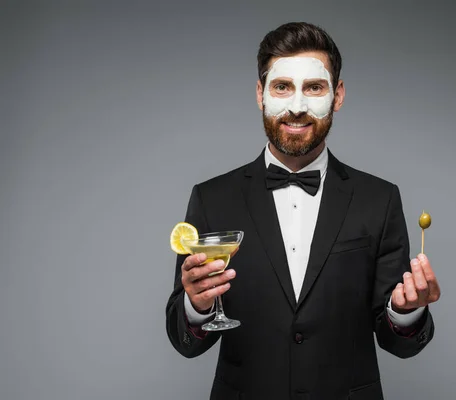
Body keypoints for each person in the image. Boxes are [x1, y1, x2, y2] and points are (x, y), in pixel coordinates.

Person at [166, 21, 441, 400]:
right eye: (282, 87)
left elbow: (399, 342)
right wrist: (196, 306)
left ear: (338, 95)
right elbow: (185, 342)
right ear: (261, 94)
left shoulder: (380, 199)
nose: (297, 107)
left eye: (314, 88)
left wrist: (404, 311)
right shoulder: (212, 198)